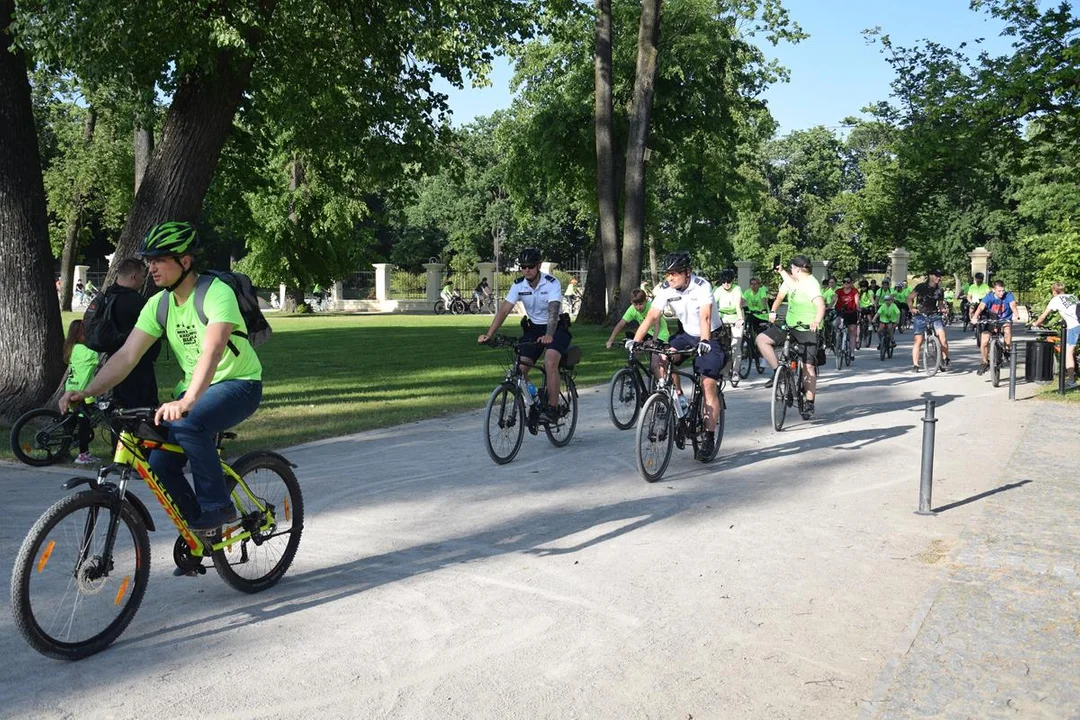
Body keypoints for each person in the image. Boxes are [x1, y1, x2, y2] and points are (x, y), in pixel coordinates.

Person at [61, 221, 264, 532]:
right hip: (195, 390)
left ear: (185, 261)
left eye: (158, 260)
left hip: (238, 384)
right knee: (158, 463)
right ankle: (200, 531)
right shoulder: (159, 304)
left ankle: (218, 506)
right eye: (149, 261)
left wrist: (188, 401)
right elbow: (127, 356)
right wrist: (86, 391)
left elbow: (212, 350)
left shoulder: (215, 293)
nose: (151, 268)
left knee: (188, 424)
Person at [629, 251, 724, 460]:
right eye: (668, 274)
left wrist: (705, 343)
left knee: (708, 384)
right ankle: (677, 398)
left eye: (675, 273)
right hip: (686, 335)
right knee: (660, 358)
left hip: (711, 337)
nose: (670, 278)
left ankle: (708, 436)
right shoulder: (666, 290)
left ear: (687, 272)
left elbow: (705, 317)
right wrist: (636, 341)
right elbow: (651, 316)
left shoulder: (702, 286)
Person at [479, 248, 571, 424]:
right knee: (520, 369)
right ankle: (534, 401)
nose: (526, 269)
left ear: (538, 266)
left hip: (556, 328)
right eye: (523, 266)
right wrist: (489, 334)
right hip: (534, 329)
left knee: (550, 361)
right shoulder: (518, 285)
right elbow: (504, 310)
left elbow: (553, 312)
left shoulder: (552, 283)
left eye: (530, 266)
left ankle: (553, 408)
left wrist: (549, 335)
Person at [758, 255, 825, 418]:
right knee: (762, 339)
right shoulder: (791, 281)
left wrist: (816, 321)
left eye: (791, 268)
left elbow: (820, 305)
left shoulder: (811, 283)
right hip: (790, 325)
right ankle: (778, 373)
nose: (790, 271)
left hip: (807, 329)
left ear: (797, 269)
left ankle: (809, 403)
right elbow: (780, 297)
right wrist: (773, 311)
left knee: (808, 366)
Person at [103, 258, 161, 409]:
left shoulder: (107, 296)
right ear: (134, 276)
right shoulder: (135, 301)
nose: (143, 281)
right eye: (143, 276)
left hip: (113, 361)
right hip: (137, 366)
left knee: (119, 409)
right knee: (142, 410)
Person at [62, 319, 100, 465]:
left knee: (71, 422)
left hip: (71, 389)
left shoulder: (73, 348)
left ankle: (64, 448)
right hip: (80, 393)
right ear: (80, 334)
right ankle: (83, 454)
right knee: (84, 424)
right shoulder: (85, 351)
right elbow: (97, 356)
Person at [1032, 282, 1080, 387]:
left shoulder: (1055, 300)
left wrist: (1036, 323)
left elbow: (1043, 316)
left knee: (1068, 352)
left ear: (1054, 291)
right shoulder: (1073, 297)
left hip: (1074, 327)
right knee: (1072, 350)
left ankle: (1071, 381)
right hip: (1076, 324)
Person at [972, 280, 1018, 375]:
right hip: (991, 320)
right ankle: (985, 362)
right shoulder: (989, 297)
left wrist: (1016, 315)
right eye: (999, 291)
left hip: (1004, 319)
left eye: (1003, 290)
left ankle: (1007, 351)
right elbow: (981, 307)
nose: (1001, 293)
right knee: (984, 341)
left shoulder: (1008, 295)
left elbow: (1013, 305)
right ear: (994, 290)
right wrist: (975, 317)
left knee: (1007, 331)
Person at [909, 269, 950, 373]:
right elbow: (910, 298)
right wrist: (912, 308)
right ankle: (915, 365)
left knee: (943, 338)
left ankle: (945, 359)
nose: (939, 278)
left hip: (934, 314)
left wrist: (943, 309)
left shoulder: (940, 290)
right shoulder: (921, 287)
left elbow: (940, 304)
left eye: (940, 276)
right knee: (918, 340)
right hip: (920, 314)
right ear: (930, 276)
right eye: (936, 275)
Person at [713, 269, 743, 380]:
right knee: (720, 345)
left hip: (736, 318)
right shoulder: (719, 290)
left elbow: (737, 305)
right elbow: (712, 304)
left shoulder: (737, 289)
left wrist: (740, 319)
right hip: (723, 318)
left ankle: (735, 372)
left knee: (735, 345)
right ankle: (723, 370)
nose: (726, 284)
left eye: (728, 282)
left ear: (733, 281)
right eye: (723, 282)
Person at [834, 277, 860, 356]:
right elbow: (834, 300)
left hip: (851, 312)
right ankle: (838, 338)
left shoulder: (854, 291)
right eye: (844, 281)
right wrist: (828, 307)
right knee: (837, 323)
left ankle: (852, 352)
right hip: (841, 311)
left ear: (851, 283)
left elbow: (857, 301)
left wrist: (858, 308)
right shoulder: (838, 291)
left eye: (848, 282)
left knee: (852, 331)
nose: (846, 283)